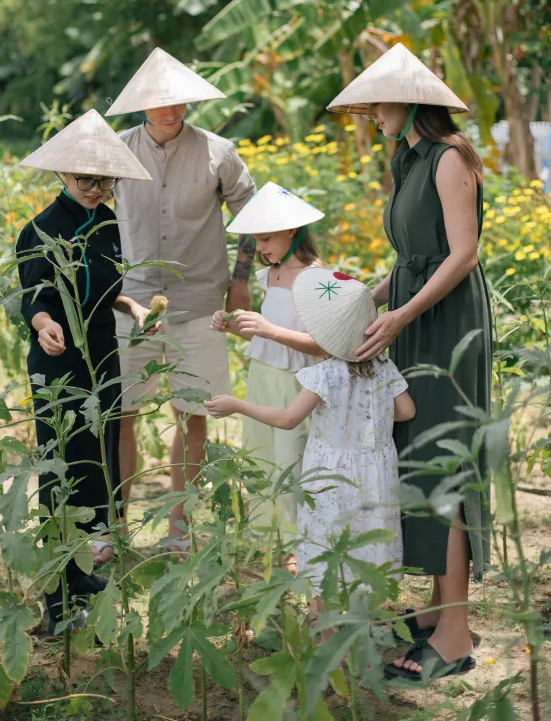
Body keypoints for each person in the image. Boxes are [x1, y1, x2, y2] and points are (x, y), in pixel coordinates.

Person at [327, 42, 491, 680]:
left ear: (409, 99)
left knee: (443, 460)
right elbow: (411, 260)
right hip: (418, 313)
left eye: (376, 102)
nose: (369, 113)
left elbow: (462, 255)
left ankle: (454, 634)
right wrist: (368, 300)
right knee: (419, 453)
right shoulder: (407, 158)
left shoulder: (451, 158)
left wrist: (400, 314)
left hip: (449, 323)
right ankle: (441, 607)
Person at [105, 47, 256, 548]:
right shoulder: (117, 152)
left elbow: (251, 217)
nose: (172, 111)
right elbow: (83, 207)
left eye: (180, 101)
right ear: (141, 104)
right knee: (119, 414)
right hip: (132, 304)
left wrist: (241, 278)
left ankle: (180, 529)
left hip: (201, 302)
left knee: (195, 414)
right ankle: (113, 528)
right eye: (161, 102)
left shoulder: (219, 151)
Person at [206, 268, 415, 625]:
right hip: (375, 472)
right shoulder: (384, 367)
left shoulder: (325, 374)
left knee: (327, 546)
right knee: (369, 540)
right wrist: (368, 424)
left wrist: (238, 405)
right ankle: (364, 628)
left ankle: (329, 635)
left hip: (329, 476)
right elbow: (406, 411)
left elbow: (289, 418)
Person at [16, 109, 155, 631]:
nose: (96, 189)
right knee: (64, 468)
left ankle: (87, 570)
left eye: (104, 180)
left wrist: (137, 310)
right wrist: (44, 324)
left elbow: (110, 289)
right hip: (58, 361)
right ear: (63, 176)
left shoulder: (107, 222)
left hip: (102, 355)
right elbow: (34, 296)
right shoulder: (40, 229)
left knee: (100, 459)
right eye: (85, 180)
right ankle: (59, 597)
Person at [211, 181, 324, 571]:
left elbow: (322, 344)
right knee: (261, 456)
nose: (260, 248)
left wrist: (268, 329)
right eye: (256, 240)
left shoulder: (313, 278)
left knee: (292, 459)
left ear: (292, 230)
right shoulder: (271, 275)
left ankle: (299, 541)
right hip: (262, 373)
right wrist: (233, 326)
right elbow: (266, 331)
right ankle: (270, 535)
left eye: (265, 238)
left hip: (294, 380)